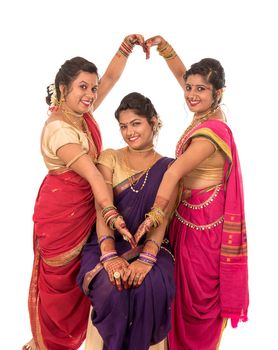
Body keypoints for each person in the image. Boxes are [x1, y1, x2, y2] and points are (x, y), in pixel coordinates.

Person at [23, 34, 147, 350]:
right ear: (63, 89)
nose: (91, 94)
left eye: (91, 88)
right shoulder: (60, 129)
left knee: (81, 282)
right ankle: (47, 343)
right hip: (62, 215)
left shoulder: (80, 115)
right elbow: (94, 178)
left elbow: (109, 78)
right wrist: (114, 216)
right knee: (59, 288)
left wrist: (126, 47)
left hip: (84, 210)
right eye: (83, 87)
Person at [135, 36, 249, 350]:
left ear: (218, 94)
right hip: (186, 221)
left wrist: (155, 214)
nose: (191, 95)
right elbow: (185, 78)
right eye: (189, 88)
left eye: (201, 89)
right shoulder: (207, 114)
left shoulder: (212, 132)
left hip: (205, 232)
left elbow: (173, 172)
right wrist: (166, 50)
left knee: (198, 300)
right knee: (178, 297)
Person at [77, 92, 178, 350]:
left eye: (136, 123)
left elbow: (162, 218)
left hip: (152, 247)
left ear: (153, 122)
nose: (129, 132)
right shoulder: (110, 157)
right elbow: (102, 209)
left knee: (150, 287)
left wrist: (146, 260)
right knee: (111, 287)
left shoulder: (169, 167)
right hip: (106, 242)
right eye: (123, 126)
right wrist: (109, 255)